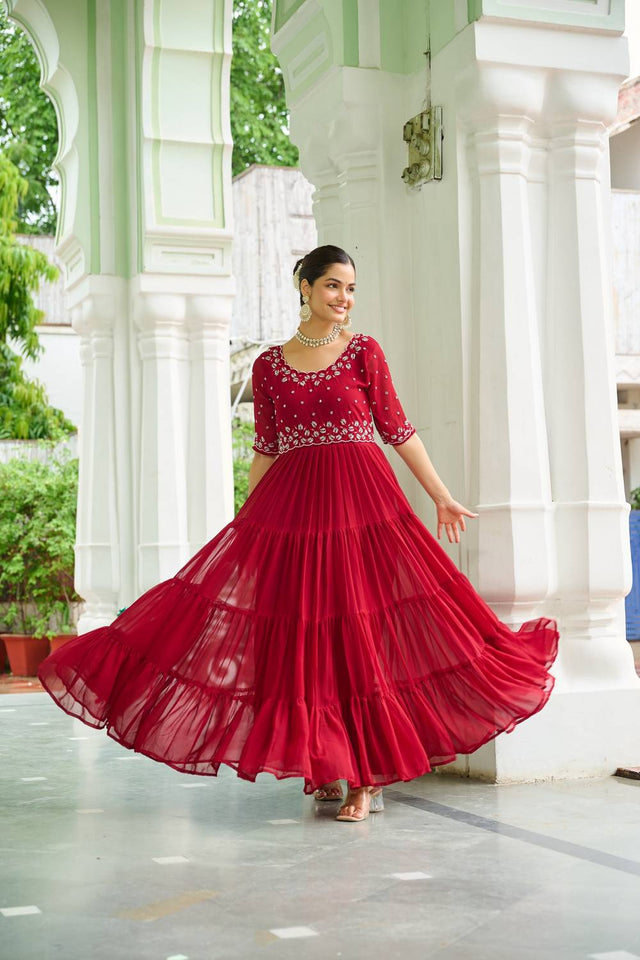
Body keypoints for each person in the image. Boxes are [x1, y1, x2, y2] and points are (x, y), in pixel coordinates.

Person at [38, 244, 559, 824]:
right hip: (295, 512)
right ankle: (326, 764)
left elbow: (398, 429)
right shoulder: (267, 366)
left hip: (362, 508)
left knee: (359, 634)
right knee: (308, 641)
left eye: (351, 288)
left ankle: (366, 778)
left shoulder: (362, 351)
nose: (344, 298)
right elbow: (266, 447)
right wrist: (249, 525)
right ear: (305, 287)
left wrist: (440, 494)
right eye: (333, 285)